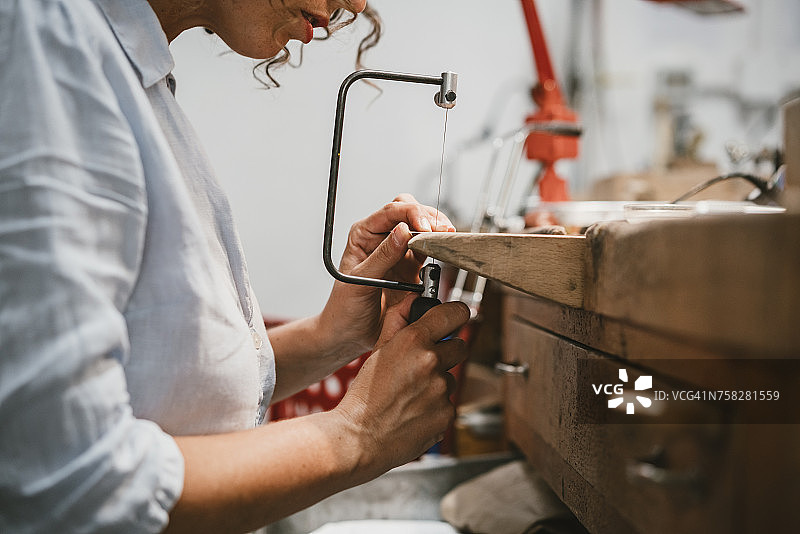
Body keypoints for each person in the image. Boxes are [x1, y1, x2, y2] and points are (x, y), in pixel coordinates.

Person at [0, 0, 470, 533]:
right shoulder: (49, 44)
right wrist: (356, 435)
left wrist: (332, 336)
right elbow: (67, 480)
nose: (358, 5)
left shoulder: (135, 77)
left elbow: (162, 380)